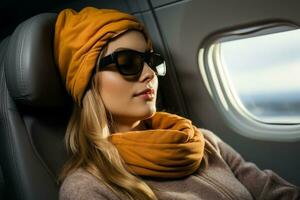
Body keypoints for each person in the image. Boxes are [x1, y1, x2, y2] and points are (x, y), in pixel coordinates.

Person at [54, 7, 300, 200]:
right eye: (127, 62)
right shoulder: (88, 187)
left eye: (151, 61)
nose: (150, 73)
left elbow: (274, 192)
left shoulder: (201, 140)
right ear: (87, 82)